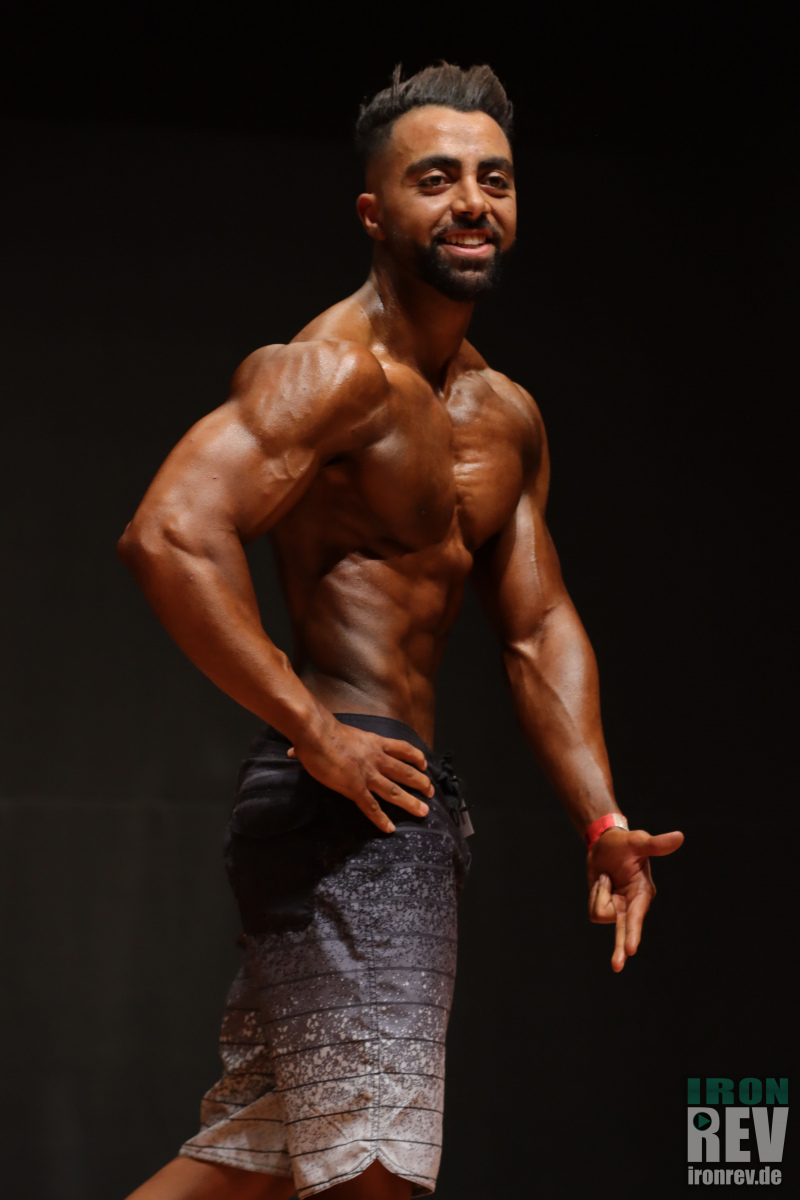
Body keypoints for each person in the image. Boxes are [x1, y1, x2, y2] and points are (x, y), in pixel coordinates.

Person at [118, 63, 683, 1200]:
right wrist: (314, 730)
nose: (472, 201)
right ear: (374, 212)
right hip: (352, 807)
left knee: (252, 1166)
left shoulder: (504, 415)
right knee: (376, 1175)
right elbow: (168, 535)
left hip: (389, 809)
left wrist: (602, 819)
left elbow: (536, 627)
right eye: (437, 179)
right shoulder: (332, 375)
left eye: (494, 179)